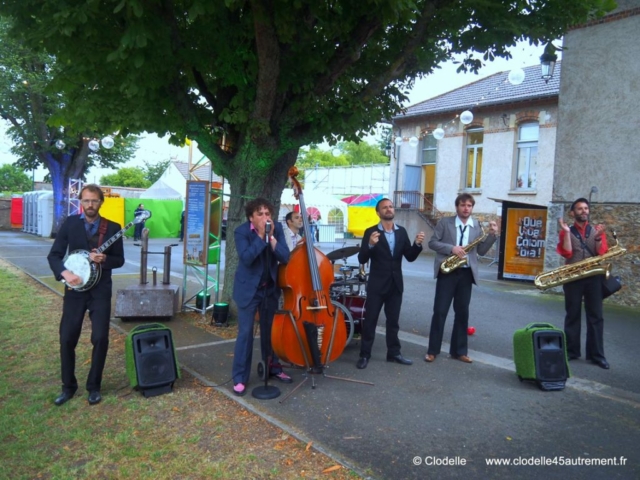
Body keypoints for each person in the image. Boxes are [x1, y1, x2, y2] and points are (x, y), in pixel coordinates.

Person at [47, 184, 125, 406]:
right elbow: (54, 255)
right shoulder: (71, 224)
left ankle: (94, 386)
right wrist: (64, 274)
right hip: (75, 289)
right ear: (80, 202)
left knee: (100, 337)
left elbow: (119, 259)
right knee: (67, 337)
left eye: (94, 201)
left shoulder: (112, 228)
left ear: (101, 202)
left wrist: (105, 260)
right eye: (86, 201)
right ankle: (68, 387)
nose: (90, 205)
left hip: (100, 290)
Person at [425, 193, 498, 364]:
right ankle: (432, 350)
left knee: (462, 313)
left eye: (469, 206)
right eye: (463, 205)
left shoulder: (476, 226)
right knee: (440, 311)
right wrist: (452, 248)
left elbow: (480, 251)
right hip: (448, 272)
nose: (466, 208)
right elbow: (433, 243)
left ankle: (459, 351)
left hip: (466, 273)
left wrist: (492, 235)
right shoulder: (445, 223)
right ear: (457, 207)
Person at [231, 198, 293, 396]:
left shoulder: (278, 229)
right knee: (246, 334)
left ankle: (273, 368)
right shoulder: (241, 231)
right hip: (248, 289)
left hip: (269, 289)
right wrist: (260, 236)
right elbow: (247, 258)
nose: (265, 217)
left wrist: (272, 238)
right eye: (260, 214)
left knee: (270, 333)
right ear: (251, 217)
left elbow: (285, 257)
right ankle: (240, 377)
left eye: (268, 214)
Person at [356, 198, 425, 369]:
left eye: (390, 206)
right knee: (370, 321)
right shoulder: (370, 232)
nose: (388, 209)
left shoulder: (401, 232)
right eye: (384, 207)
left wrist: (416, 244)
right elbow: (362, 258)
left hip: (395, 285)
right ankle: (364, 355)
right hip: (377, 285)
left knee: (393, 322)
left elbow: (409, 256)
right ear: (378, 212)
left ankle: (393, 353)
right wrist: (370, 245)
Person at [557, 198, 609, 369]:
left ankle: (597, 355)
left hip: (593, 277)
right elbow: (567, 253)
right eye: (579, 209)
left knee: (596, 316)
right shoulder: (567, 230)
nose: (584, 211)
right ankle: (571, 351)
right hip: (573, 277)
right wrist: (565, 233)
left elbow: (602, 254)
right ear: (573, 213)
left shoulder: (596, 230)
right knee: (572, 314)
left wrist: (600, 237)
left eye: (586, 208)